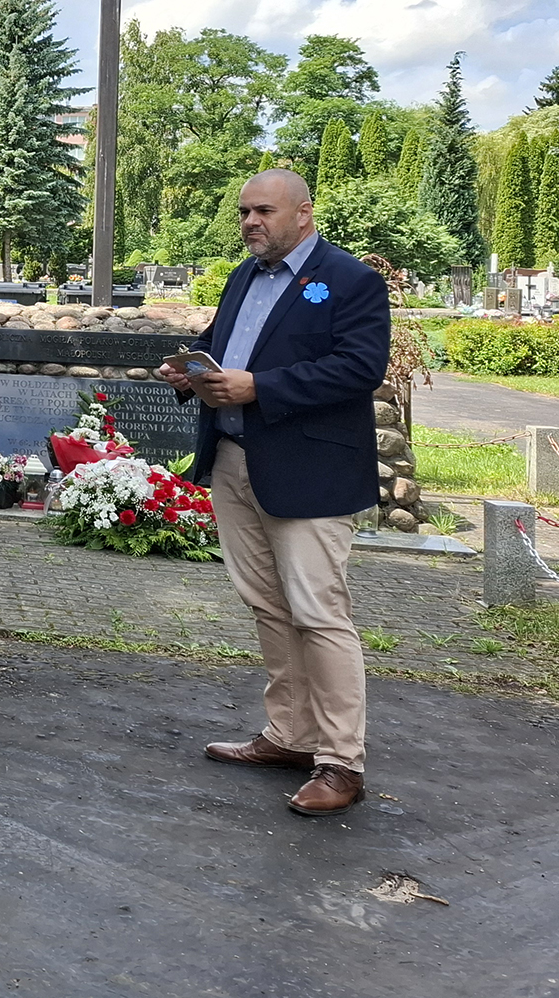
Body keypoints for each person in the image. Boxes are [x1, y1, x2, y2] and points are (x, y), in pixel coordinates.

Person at [158, 168, 390, 817]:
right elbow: (219, 347)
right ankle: (291, 735)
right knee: (267, 606)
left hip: (309, 473)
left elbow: (360, 368)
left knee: (319, 613)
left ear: (303, 213)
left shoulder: (351, 280)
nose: (250, 222)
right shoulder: (243, 277)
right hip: (235, 461)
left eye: (263, 211)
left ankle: (341, 762)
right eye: (244, 212)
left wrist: (261, 387)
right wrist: (188, 369)